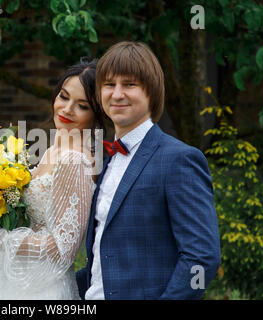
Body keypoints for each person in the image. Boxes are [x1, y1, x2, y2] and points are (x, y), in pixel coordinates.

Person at [76, 41, 221, 300]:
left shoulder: (179, 159)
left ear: (151, 92)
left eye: (129, 84)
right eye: (109, 85)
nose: (117, 94)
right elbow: (103, 260)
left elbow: (202, 258)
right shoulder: (107, 160)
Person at [0, 58, 104, 299]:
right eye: (63, 96)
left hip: (44, 290)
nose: (67, 109)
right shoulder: (53, 151)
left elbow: (63, 249)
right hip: (18, 282)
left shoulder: (74, 161)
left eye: (82, 105)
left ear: (96, 114)